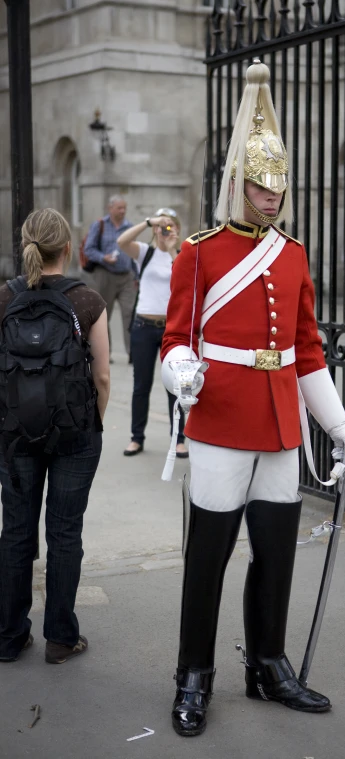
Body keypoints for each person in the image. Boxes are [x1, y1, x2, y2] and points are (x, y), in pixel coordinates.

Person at [160, 59, 345, 737]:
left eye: (279, 187)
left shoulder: (295, 255)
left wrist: (336, 425)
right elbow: (175, 341)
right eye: (261, 186)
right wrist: (183, 374)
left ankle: (268, 664)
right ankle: (194, 674)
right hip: (220, 423)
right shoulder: (200, 251)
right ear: (238, 185)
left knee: (276, 553)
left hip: (280, 426)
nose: (272, 197)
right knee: (208, 559)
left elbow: (308, 353)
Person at [0, 208, 110, 663]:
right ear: (67, 248)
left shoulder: (4, 298)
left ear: (24, 244)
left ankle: (9, 635)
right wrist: (93, 423)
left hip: (14, 435)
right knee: (65, 532)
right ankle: (61, 638)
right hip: (74, 435)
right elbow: (102, 376)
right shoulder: (88, 300)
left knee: (16, 531)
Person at [117, 208, 187, 458]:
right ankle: (136, 438)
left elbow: (184, 277)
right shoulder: (145, 253)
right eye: (162, 225)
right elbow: (121, 241)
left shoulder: (179, 255)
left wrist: (171, 247)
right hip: (143, 327)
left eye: (170, 225)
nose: (165, 229)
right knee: (141, 385)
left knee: (174, 386)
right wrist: (148, 222)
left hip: (171, 329)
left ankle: (178, 439)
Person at [83, 195, 137, 358]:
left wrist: (137, 276)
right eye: (119, 208)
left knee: (130, 313)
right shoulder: (99, 225)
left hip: (126, 276)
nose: (122, 211)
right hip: (105, 275)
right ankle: (105, 353)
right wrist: (103, 257)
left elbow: (134, 252)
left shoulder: (130, 227)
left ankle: (132, 353)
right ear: (110, 208)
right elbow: (88, 249)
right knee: (103, 315)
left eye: (124, 208)